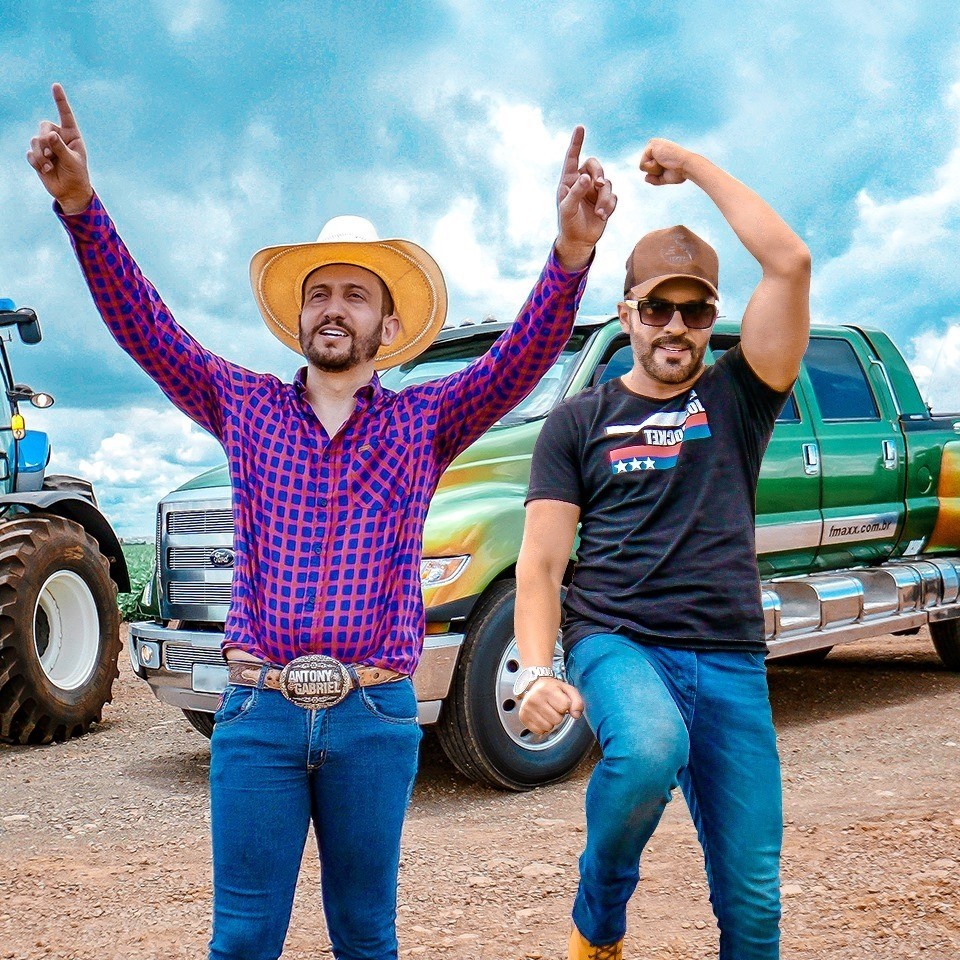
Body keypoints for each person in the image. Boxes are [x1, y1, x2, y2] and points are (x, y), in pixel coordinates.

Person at [28, 83, 617, 960]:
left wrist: (570, 255)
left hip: (373, 715)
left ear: (386, 322)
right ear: (299, 317)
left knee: (366, 938)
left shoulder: (424, 421)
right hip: (259, 712)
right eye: (318, 294)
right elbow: (147, 328)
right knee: (241, 940)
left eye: (354, 293)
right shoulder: (244, 405)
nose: (333, 307)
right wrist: (81, 206)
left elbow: (517, 360)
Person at [514, 138, 810, 960]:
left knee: (753, 899)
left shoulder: (740, 395)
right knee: (646, 749)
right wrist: (539, 670)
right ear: (626, 313)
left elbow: (789, 263)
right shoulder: (578, 422)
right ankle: (598, 920)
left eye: (696, 309)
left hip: (729, 658)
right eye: (657, 308)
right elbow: (539, 566)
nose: (676, 326)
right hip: (619, 641)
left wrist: (699, 167)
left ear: (714, 318)